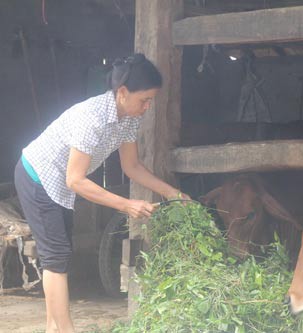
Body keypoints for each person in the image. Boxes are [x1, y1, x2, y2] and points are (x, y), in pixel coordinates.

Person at [14, 53, 189, 333]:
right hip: (37, 176)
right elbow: (76, 180)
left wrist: (173, 194)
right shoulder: (92, 118)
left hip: (60, 182)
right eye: (144, 99)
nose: (147, 107)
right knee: (56, 256)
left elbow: (131, 166)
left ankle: (52, 328)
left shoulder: (129, 119)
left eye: (150, 101)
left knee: (58, 255)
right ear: (122, 92)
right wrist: (126, 204)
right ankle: (67, 330)